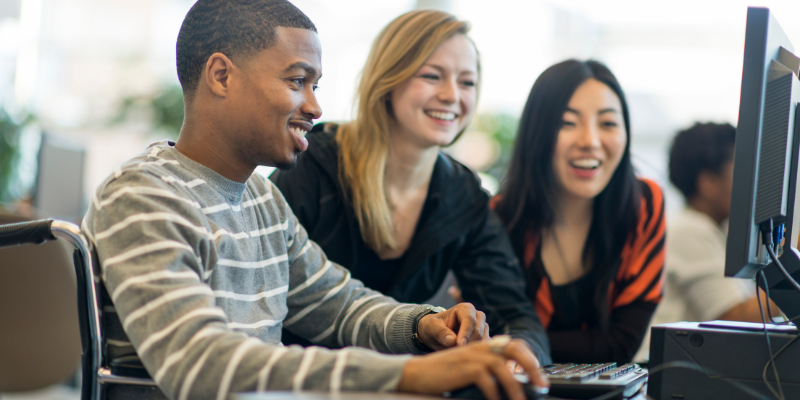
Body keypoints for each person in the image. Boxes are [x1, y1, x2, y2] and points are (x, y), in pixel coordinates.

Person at [81, 1, 547, 400]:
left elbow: (340, 306)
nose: (315, 108)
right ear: (221, 75)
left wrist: (426, 324)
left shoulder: (262, 199)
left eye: (315, 85)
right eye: (296, 81)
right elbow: (198, 362)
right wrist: (407, 374)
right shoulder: (142, 196)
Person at [269, 9, 551, 366]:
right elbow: (265, 304)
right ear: (389, 80)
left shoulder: (464, 195)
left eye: (467, 82)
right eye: (433, 76)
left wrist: (517, 360)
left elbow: (516, 315)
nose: (452, 95)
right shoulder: (312, 166)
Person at [491, 59, 666, 364]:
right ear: (537, 133)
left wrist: (514, 342)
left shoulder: (644, 204)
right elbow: (490, 337)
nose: (590, 141)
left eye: (608, 123)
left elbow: (621, 344)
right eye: (567, 123)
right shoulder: (499, 218)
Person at [634, 122, 780, 361]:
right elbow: (736, 318)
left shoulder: (711, 231)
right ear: (708, 184)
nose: (754, 183)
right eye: (743, 171)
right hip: (657, 373)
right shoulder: (690, 229)